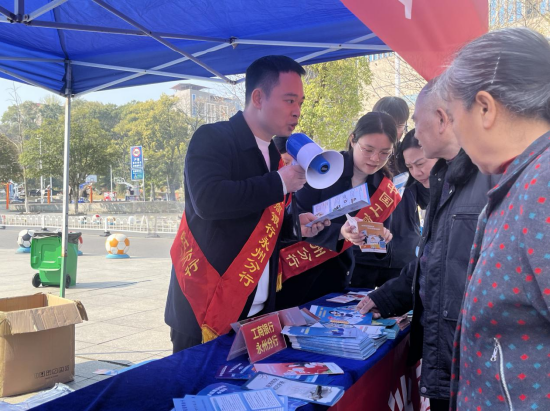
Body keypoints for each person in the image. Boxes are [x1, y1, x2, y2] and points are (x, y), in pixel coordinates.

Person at [165, 56, 330, 353]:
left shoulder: (273, 154)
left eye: (300, 103)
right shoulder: (213, 138)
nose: (297, 111)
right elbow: (208, 200)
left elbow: (258, 222)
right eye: (289, 100)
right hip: (206, 309)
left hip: (257, 313)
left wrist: (294, 226)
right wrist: (279, 183)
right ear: (258, 98)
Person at [357, 82, 498, 412]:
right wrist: (388, 297)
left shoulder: (492, 174)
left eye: (416, 122)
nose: (413, 132)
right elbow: (435, 259)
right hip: (446, 351)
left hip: (479, 357)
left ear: (442, 119)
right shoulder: (444, 181)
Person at [434, 27, 550, 412]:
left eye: (454, 117)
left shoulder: (543, 184)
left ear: (484, 108)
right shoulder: (523, 180)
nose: (455, 133)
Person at [276, 112, 397, 309]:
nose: (375, 159)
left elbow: (377, 248)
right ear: (353, 140)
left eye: (385, 153)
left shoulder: (382, 189)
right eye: (368, 149)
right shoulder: (324, 167)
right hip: (298, 277)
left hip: (338, 283)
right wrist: (340, 232)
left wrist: (379, 239)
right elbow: (295, 223)